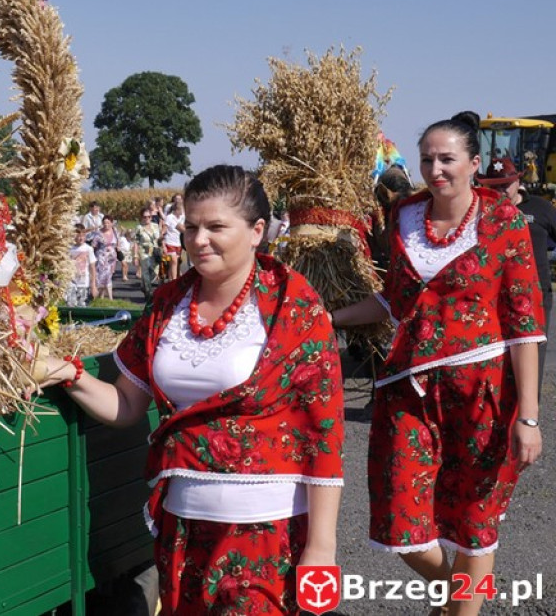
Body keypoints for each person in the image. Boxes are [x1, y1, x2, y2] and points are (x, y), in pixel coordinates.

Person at [42, 166, 344, 614]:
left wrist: (321, 546)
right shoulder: (167, 304)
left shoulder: (293, 305)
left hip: (266, 531)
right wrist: (68, 374)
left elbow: (324, 432)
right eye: (191, 227)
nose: (199, 240)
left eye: (216, 227)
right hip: (182, 526)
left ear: (257, 231)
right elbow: (126, 404)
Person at [331, 112, 543, 616]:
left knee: (473, 524)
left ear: (473, 163)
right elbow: (394, 300)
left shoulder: (504, 222)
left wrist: (530, 418)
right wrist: (329, 318)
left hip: (483, 391)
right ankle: (453, 595)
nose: (436, 169)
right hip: (408, 390)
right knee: (400, 523)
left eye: (447, 158)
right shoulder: (403, 215)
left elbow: (524, 324)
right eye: (427, 159)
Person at [478, 156, 556, 401]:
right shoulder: (480, 211)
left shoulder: (541, 209)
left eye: (506, 185)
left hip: (534, 298)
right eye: (494, 186)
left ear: (517, 182)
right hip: (492, 298)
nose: (501, 191)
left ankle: (529, 414)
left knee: (531, 360)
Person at [132, 205, 162, 302]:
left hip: (155, 252)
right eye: (144, 217)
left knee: (155, 272)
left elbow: (159, 239)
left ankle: (143, 285)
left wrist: (163, 246)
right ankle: (149, 294)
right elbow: (136, 242)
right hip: (144, 252)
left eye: (149, 216)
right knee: (146, 273)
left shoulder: (155, 226)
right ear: (141, 217)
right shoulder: (139, 228)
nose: (147, 219)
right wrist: (135, 256)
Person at [65, 224, 97, 307]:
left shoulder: (88, 249)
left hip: (84, 283)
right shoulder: (69, 249)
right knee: (71, 305)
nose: (81, 238)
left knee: (82, 305)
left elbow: (92, 268)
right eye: (78, 236)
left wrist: (93, 285)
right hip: (71, 282)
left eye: (83, 236)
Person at [90, 215, 119, 300]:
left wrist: (118, 249)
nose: (106, 225)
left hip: (111, 259)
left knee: (108, 276)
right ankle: (109, 298)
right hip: (101, 258)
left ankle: (102, 297)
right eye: (104, 223)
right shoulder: (98, 233)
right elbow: (93, 245)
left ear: (112, 223)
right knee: (102, 277)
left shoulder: (115, 231)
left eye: (108, 223)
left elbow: (117, 242)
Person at [162, 199, 186, 280]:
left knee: (174, 263)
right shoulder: (170, 217)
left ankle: (170, 280)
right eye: (182, 209)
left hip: (178, 243)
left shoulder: (182, 217)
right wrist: (162, 243)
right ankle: (175, 281)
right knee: (174, 261)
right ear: (177, 210)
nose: (183, 211)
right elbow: (164, 230)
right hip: (170, 242)